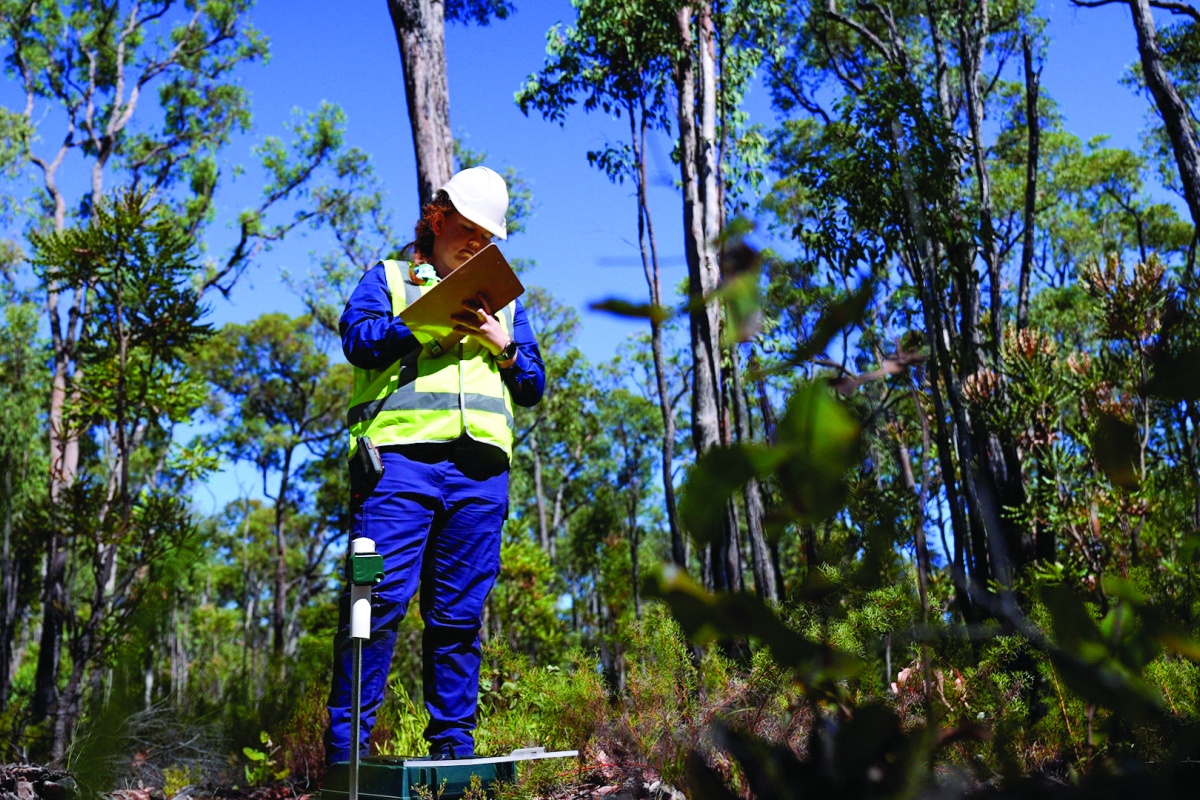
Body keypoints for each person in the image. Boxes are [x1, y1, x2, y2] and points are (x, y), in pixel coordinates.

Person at [325, 165, 546, 763]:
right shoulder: (390, 278)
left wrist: (504, 347)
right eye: (468, 230)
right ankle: (346, 762)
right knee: (374, 605)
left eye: (487, 237)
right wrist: (424, 320)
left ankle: (453, 755)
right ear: (438, 219)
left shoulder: (506, 302)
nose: (477, 244)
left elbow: (532, 385)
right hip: (397, 470)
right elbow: (359, 342)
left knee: (458, 617)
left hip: (480, 476)